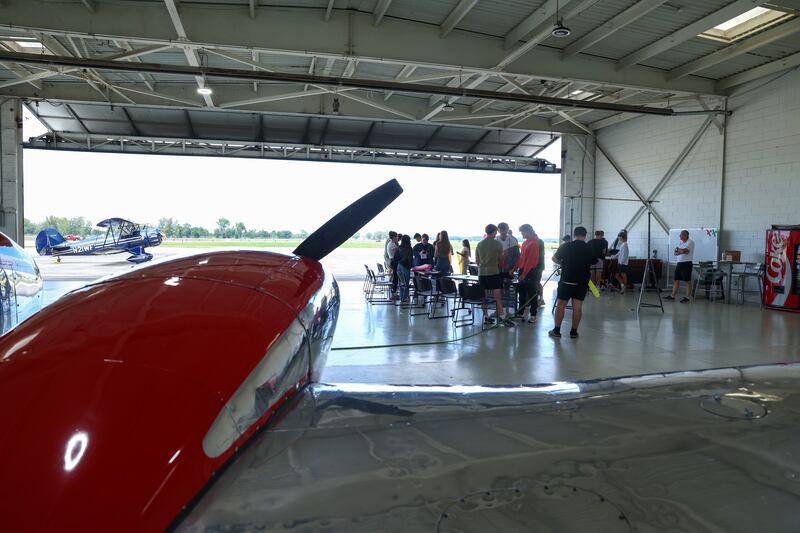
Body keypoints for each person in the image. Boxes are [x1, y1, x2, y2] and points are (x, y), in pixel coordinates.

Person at [550, 226, 597, 339]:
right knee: (577, 306)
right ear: (585, 235)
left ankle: (556, 330)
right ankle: (574, 332)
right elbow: (594, 261)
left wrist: (563, 263)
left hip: (567, 279)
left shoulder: (566, 246)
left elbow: (554, 258)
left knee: (561, 305)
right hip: (582, 281)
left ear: (574, 234)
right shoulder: (588, 248)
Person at [476, 224, 513, 327]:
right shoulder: (497, 244)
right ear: (493, 232)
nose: (496, 234)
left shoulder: (479, 244)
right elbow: (501, 261)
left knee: (484, 296)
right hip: (493, 273)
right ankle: (502, 316)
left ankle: (486, 317)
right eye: (496, 232)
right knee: (497, 297)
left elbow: (477, 261)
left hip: (482, 273)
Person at [514, 224, 542, 322]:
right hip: (522, 270)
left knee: (532, 293)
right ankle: (520, 312)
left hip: (531, 272)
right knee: (521, 293)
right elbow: (521, 258)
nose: (521, 234)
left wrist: (524, 274)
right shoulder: (525, 243)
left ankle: (533, 315)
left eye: (522, 232)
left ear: (528, 231)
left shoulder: (534, 243)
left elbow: (531, 261)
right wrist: (515, 268)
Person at [666, 229, 694, 303]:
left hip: (687, 264)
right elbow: (675, 253)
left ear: (685, 235)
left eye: (681, 235)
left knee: (687, 281)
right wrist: (681, 250)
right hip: (679, 264)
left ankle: (687, 297)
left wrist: (680, 250)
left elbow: (686, 251)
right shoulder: (681, 243)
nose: (680, 236)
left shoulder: (690, 242)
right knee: (676, 279)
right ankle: (672, 296)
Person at [396, 235, 413, 304]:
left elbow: (395, 257)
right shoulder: (409, 248)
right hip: (405, 267)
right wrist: (411, 265)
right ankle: (404, 298)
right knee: (406, 283)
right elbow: (410, 259)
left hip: (399, 266)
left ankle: (401, 298)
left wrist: (400, 261)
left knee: (401, 283)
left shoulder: (399, 247)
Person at [385, 231, 399, 296]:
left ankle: (394, 290)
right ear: (394, 237)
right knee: (395, 277)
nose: (397, 238)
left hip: (392, 261)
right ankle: (394, 291)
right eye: (396, 236)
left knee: (395, 276)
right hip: (394, 261)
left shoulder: (390, 243)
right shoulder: (392, 245)